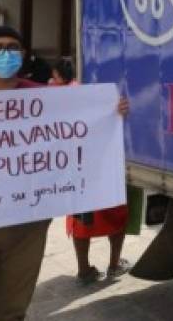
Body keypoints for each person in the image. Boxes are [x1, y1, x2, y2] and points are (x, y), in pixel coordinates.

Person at [0, 25, 129, 321]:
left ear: (24, 56)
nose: (6, 54)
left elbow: (82, 128)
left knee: (14, 308)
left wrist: (111, 112)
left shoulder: (44, 99)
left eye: (12, 48)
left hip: (28, 224)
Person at [52, 57, 130, 284]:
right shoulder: (99, 92)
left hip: (81, 169)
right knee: (115, 214)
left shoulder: (61, 96)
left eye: (55, 76)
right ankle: (114, 265)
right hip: (104, 165)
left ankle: (84, 269)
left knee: (82, 220)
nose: (53, 80)